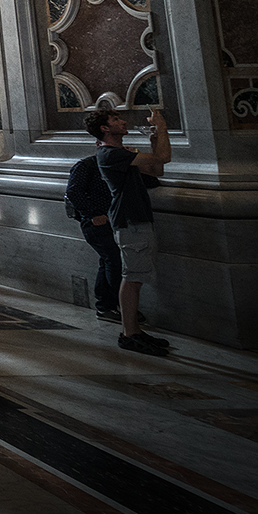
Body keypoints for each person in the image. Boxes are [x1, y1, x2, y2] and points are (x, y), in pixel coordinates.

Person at [92, 107, 173, 356]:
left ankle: (133, 331)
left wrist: (153, 138)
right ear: (105, 129)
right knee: (131, 277)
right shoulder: (109, 153)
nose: (122, 121)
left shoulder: (122, 154)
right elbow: (164, 158)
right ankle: (129, 333)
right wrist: (161, 127)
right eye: (116, 119)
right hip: (129, 220)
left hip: (137, 217)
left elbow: (156, 170)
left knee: (135, 277)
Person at [64, 146, 122, 323]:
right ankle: (113, 304)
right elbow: (73, 192)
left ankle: (108, 305)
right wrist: (93, 214)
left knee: (108, 261)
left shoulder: (118, 163)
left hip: (113, 219)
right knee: (112, 260)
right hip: (95, 222)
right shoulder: (86, 165)